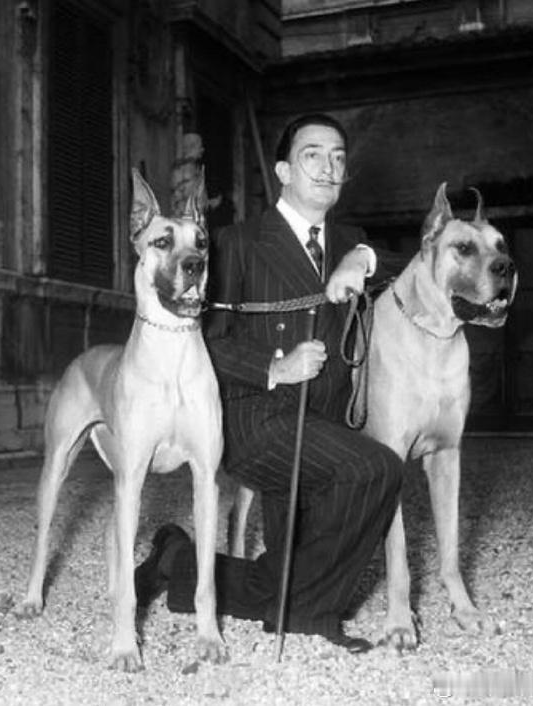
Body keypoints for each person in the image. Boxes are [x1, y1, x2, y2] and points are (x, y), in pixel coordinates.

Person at [135, 113, 403, 654]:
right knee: (375, 468)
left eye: (338, 158)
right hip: (256, 422)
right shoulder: (236, 242)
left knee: (283, 573)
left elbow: (414, 269)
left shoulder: (350, 240)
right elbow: (202, 340)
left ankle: (176, 561)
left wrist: (363, 258)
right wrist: (275, 368)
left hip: (323, 424)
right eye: (312, 155)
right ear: (283, 171)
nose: (328, 167)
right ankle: (308, 614)